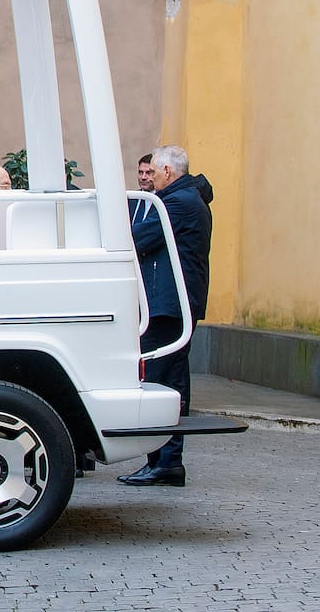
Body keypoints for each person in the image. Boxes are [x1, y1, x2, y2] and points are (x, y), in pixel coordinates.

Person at [118, 145, 213, 487]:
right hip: (173, 304)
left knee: (160, 383)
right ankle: (166, 463)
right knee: (170, 381)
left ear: (168, 172)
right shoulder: (185, 198)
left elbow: (137, 239)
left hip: (169, 306)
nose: (151, 178)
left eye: (155, 172)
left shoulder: (176, 203)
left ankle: (164, 462)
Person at [129, 153, 154, 223]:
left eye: (148, 173)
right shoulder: (131, 198)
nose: (143, 177)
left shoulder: (163, 199)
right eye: (140, 172)